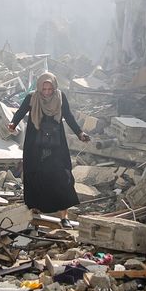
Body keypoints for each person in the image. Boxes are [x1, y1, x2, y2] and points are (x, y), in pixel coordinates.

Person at [7, 72, 90, 212]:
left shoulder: (60, 97)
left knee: (61, 174)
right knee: (34, 174)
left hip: (55, 141)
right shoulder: (32, 97)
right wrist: (13, 124)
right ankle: (35, 210)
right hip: (35, 142)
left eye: (50, 89)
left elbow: (68, 116)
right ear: (39, 87)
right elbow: (20, 112)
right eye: (44, 89)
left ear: (54, 87)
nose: (47, 92)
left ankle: (64, 215)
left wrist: (80, 133)